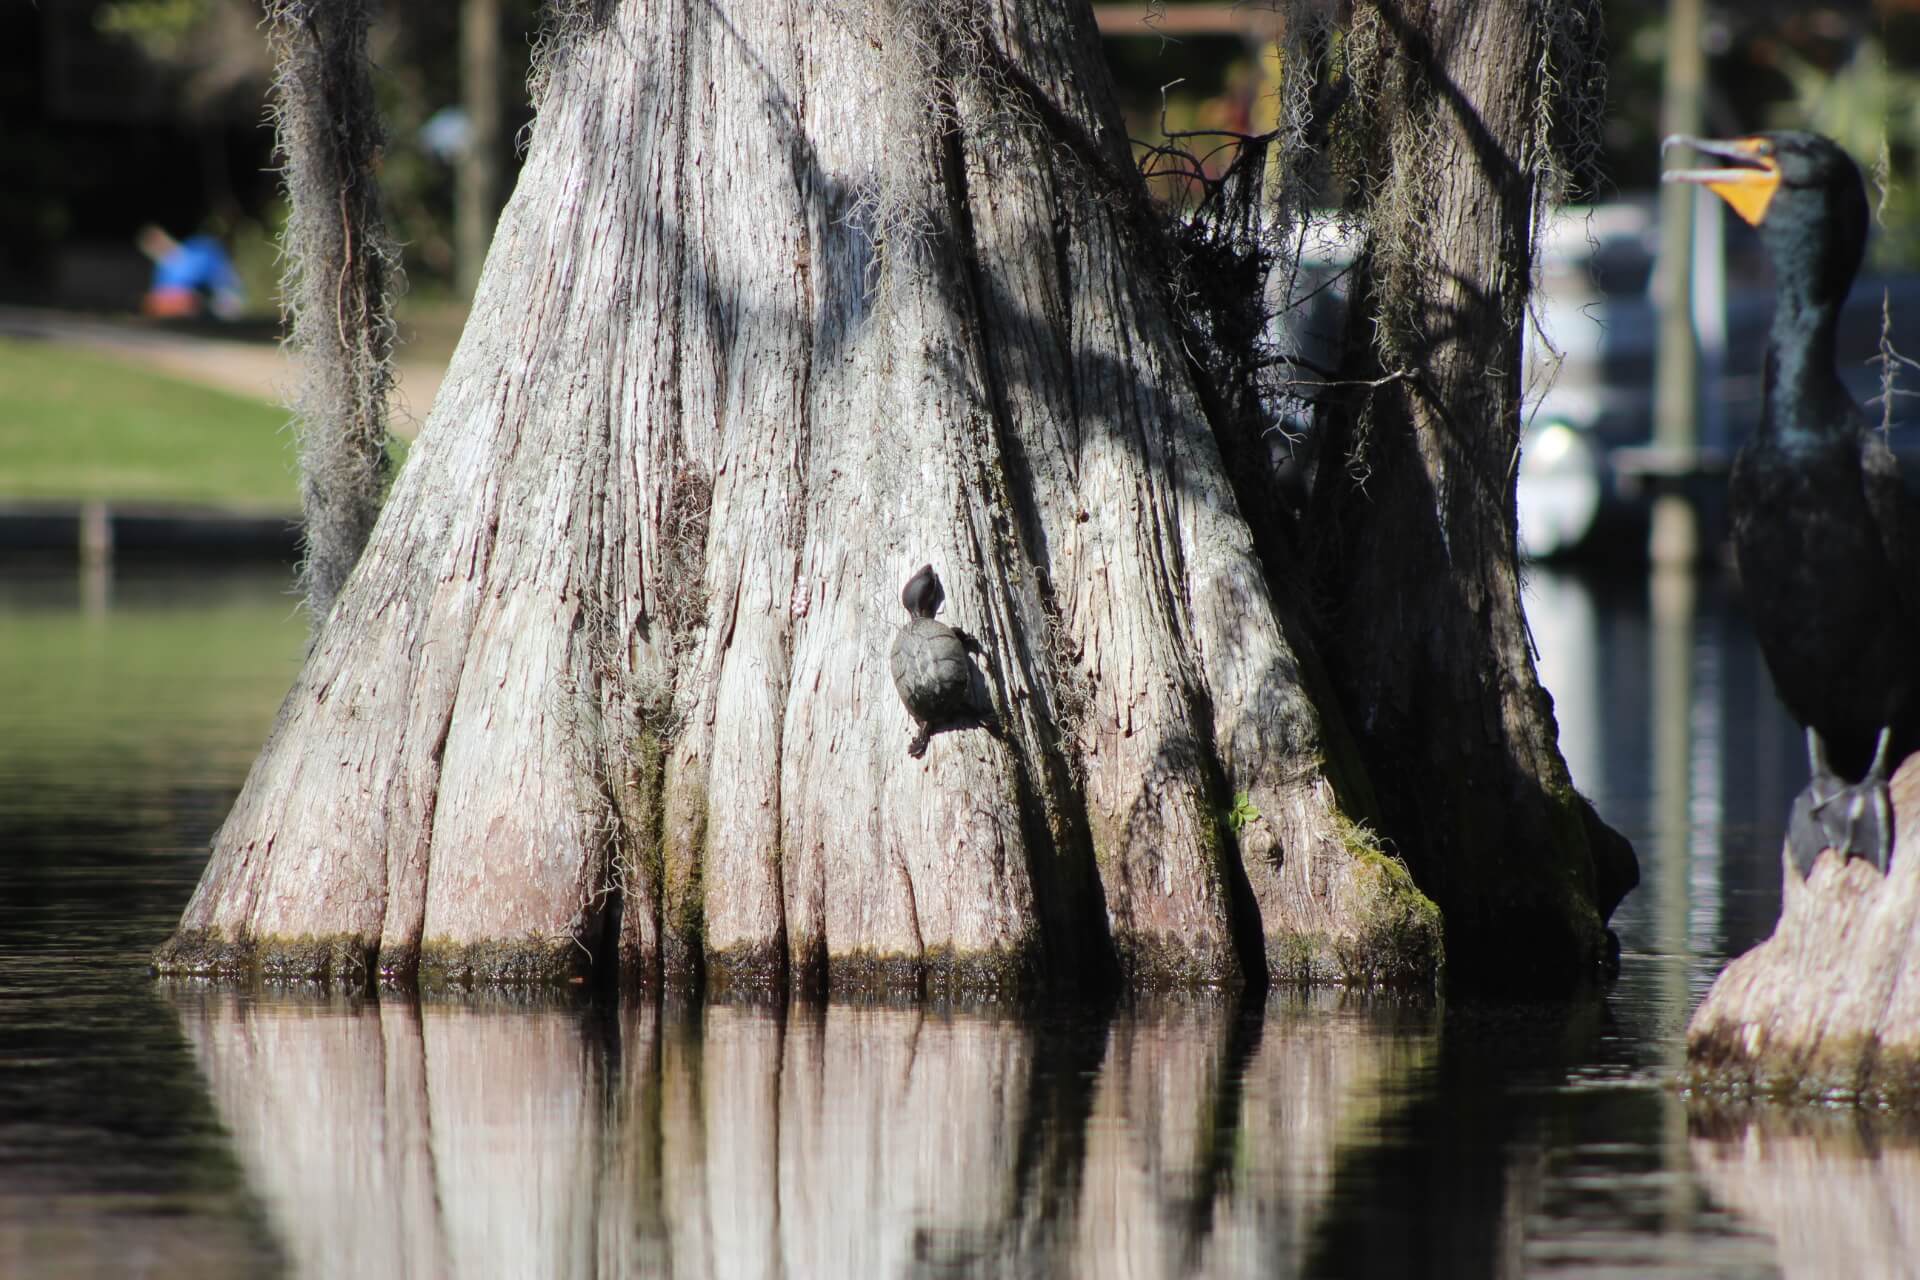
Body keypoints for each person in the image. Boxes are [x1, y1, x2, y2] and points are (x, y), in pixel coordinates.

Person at [137, 224, 245, 320]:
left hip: (215, 301)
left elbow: (226, 281)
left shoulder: (200, 249)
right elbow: (161, 296)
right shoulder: (163, 268)